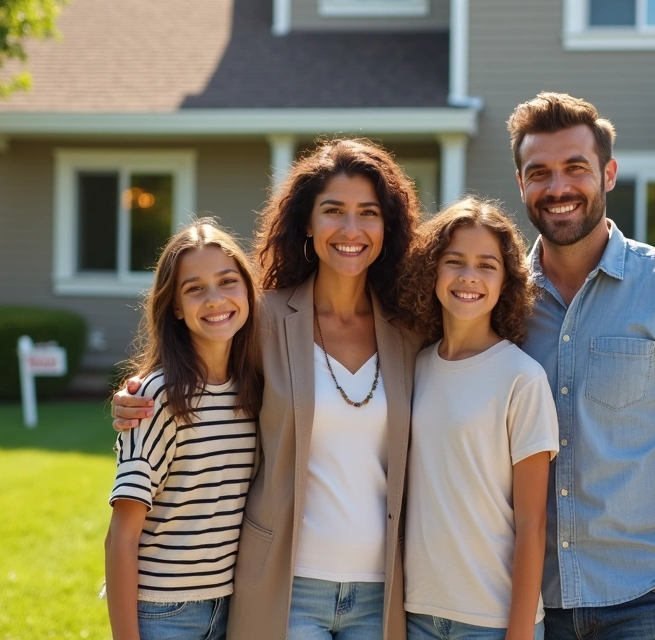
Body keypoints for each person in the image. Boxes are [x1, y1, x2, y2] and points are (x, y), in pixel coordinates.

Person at [112, 139, 424, 640]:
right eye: (333, 211)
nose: (350, 229)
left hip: (381, 589)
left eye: (368, 213)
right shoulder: (264, 319)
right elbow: (201, 362)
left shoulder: (410, 331)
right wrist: (136, 395)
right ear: (307, 223)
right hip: (286, 585)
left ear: (387, 227)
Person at [507, 92, 655, 640]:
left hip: (644, 602)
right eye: (538, 172)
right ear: (522, 184)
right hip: (528, 602)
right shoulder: (500, 301)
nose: (558, 188)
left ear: (608, 173)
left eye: (576, 168)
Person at [397, 197, 558, 640]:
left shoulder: (522, 379)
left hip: (491, 622)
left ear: (506, 281)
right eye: (455, 261)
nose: (469, 276)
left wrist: (520, 631)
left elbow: (533, 522)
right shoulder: (417, 366)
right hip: (417, 614)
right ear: (432, 270)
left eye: (487, 265)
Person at [104, 218, 263, 640]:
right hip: (164, 612)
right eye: (194, 289)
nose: (215, 300)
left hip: (232, 606)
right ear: (175, 306)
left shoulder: (255, 388)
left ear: (248, 290)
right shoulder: (157, 398)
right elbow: (121, 539)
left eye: (228, 281)